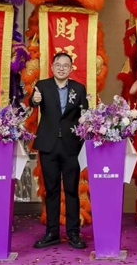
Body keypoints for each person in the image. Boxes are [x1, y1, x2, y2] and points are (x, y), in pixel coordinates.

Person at [30, 52, 90, 249]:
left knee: (72, 190)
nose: (62, 68)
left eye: (66, 65)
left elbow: (85, 114)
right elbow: (32, 102)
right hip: (49, 145)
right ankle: (52, 232)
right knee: (51, 190)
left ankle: (73, 233)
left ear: (71, 68)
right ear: (52, 67)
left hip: (71, 146)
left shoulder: (78, 88)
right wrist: (34, 100)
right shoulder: (42, 86)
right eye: (58, 65)